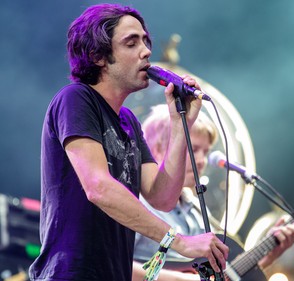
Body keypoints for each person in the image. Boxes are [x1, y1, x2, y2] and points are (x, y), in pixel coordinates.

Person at [28, 4, 228, 281]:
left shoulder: (129, 122)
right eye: (131, 43)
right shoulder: (75, 99)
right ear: (97, 55)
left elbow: (163, 197)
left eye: (146, 41)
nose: (146, 51)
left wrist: (181, 124)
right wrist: (178, 240)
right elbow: (98, 187)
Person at [132, 104, 294, 281]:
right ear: (159, 149)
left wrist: (267, 257)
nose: (201, 160)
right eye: (193, 148)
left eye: (205, 152)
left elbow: (217, 277)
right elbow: (114, 264)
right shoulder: (136, 203)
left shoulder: (196, 210)